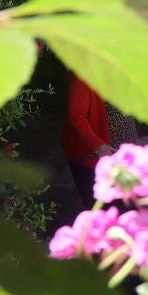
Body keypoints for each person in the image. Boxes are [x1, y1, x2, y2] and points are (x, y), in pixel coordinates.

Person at [62, 73, 112, 206]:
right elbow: (77, 117)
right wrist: (97, 145)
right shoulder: (82, 77)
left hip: (117, 152)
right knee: (98, 208)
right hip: (94, 155)